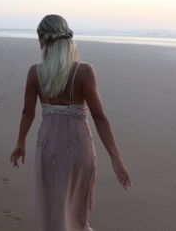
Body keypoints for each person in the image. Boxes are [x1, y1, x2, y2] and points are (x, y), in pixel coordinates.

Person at [10, 14, 132, 231]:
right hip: (78, 150)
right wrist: (115, 157)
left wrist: (20, 142)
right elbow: (99, 117)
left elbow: (27, 113)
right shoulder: (84, 71)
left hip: (48, 148)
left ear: (42, 42)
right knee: (77, 210)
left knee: (53, 208)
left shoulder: (35, 73)